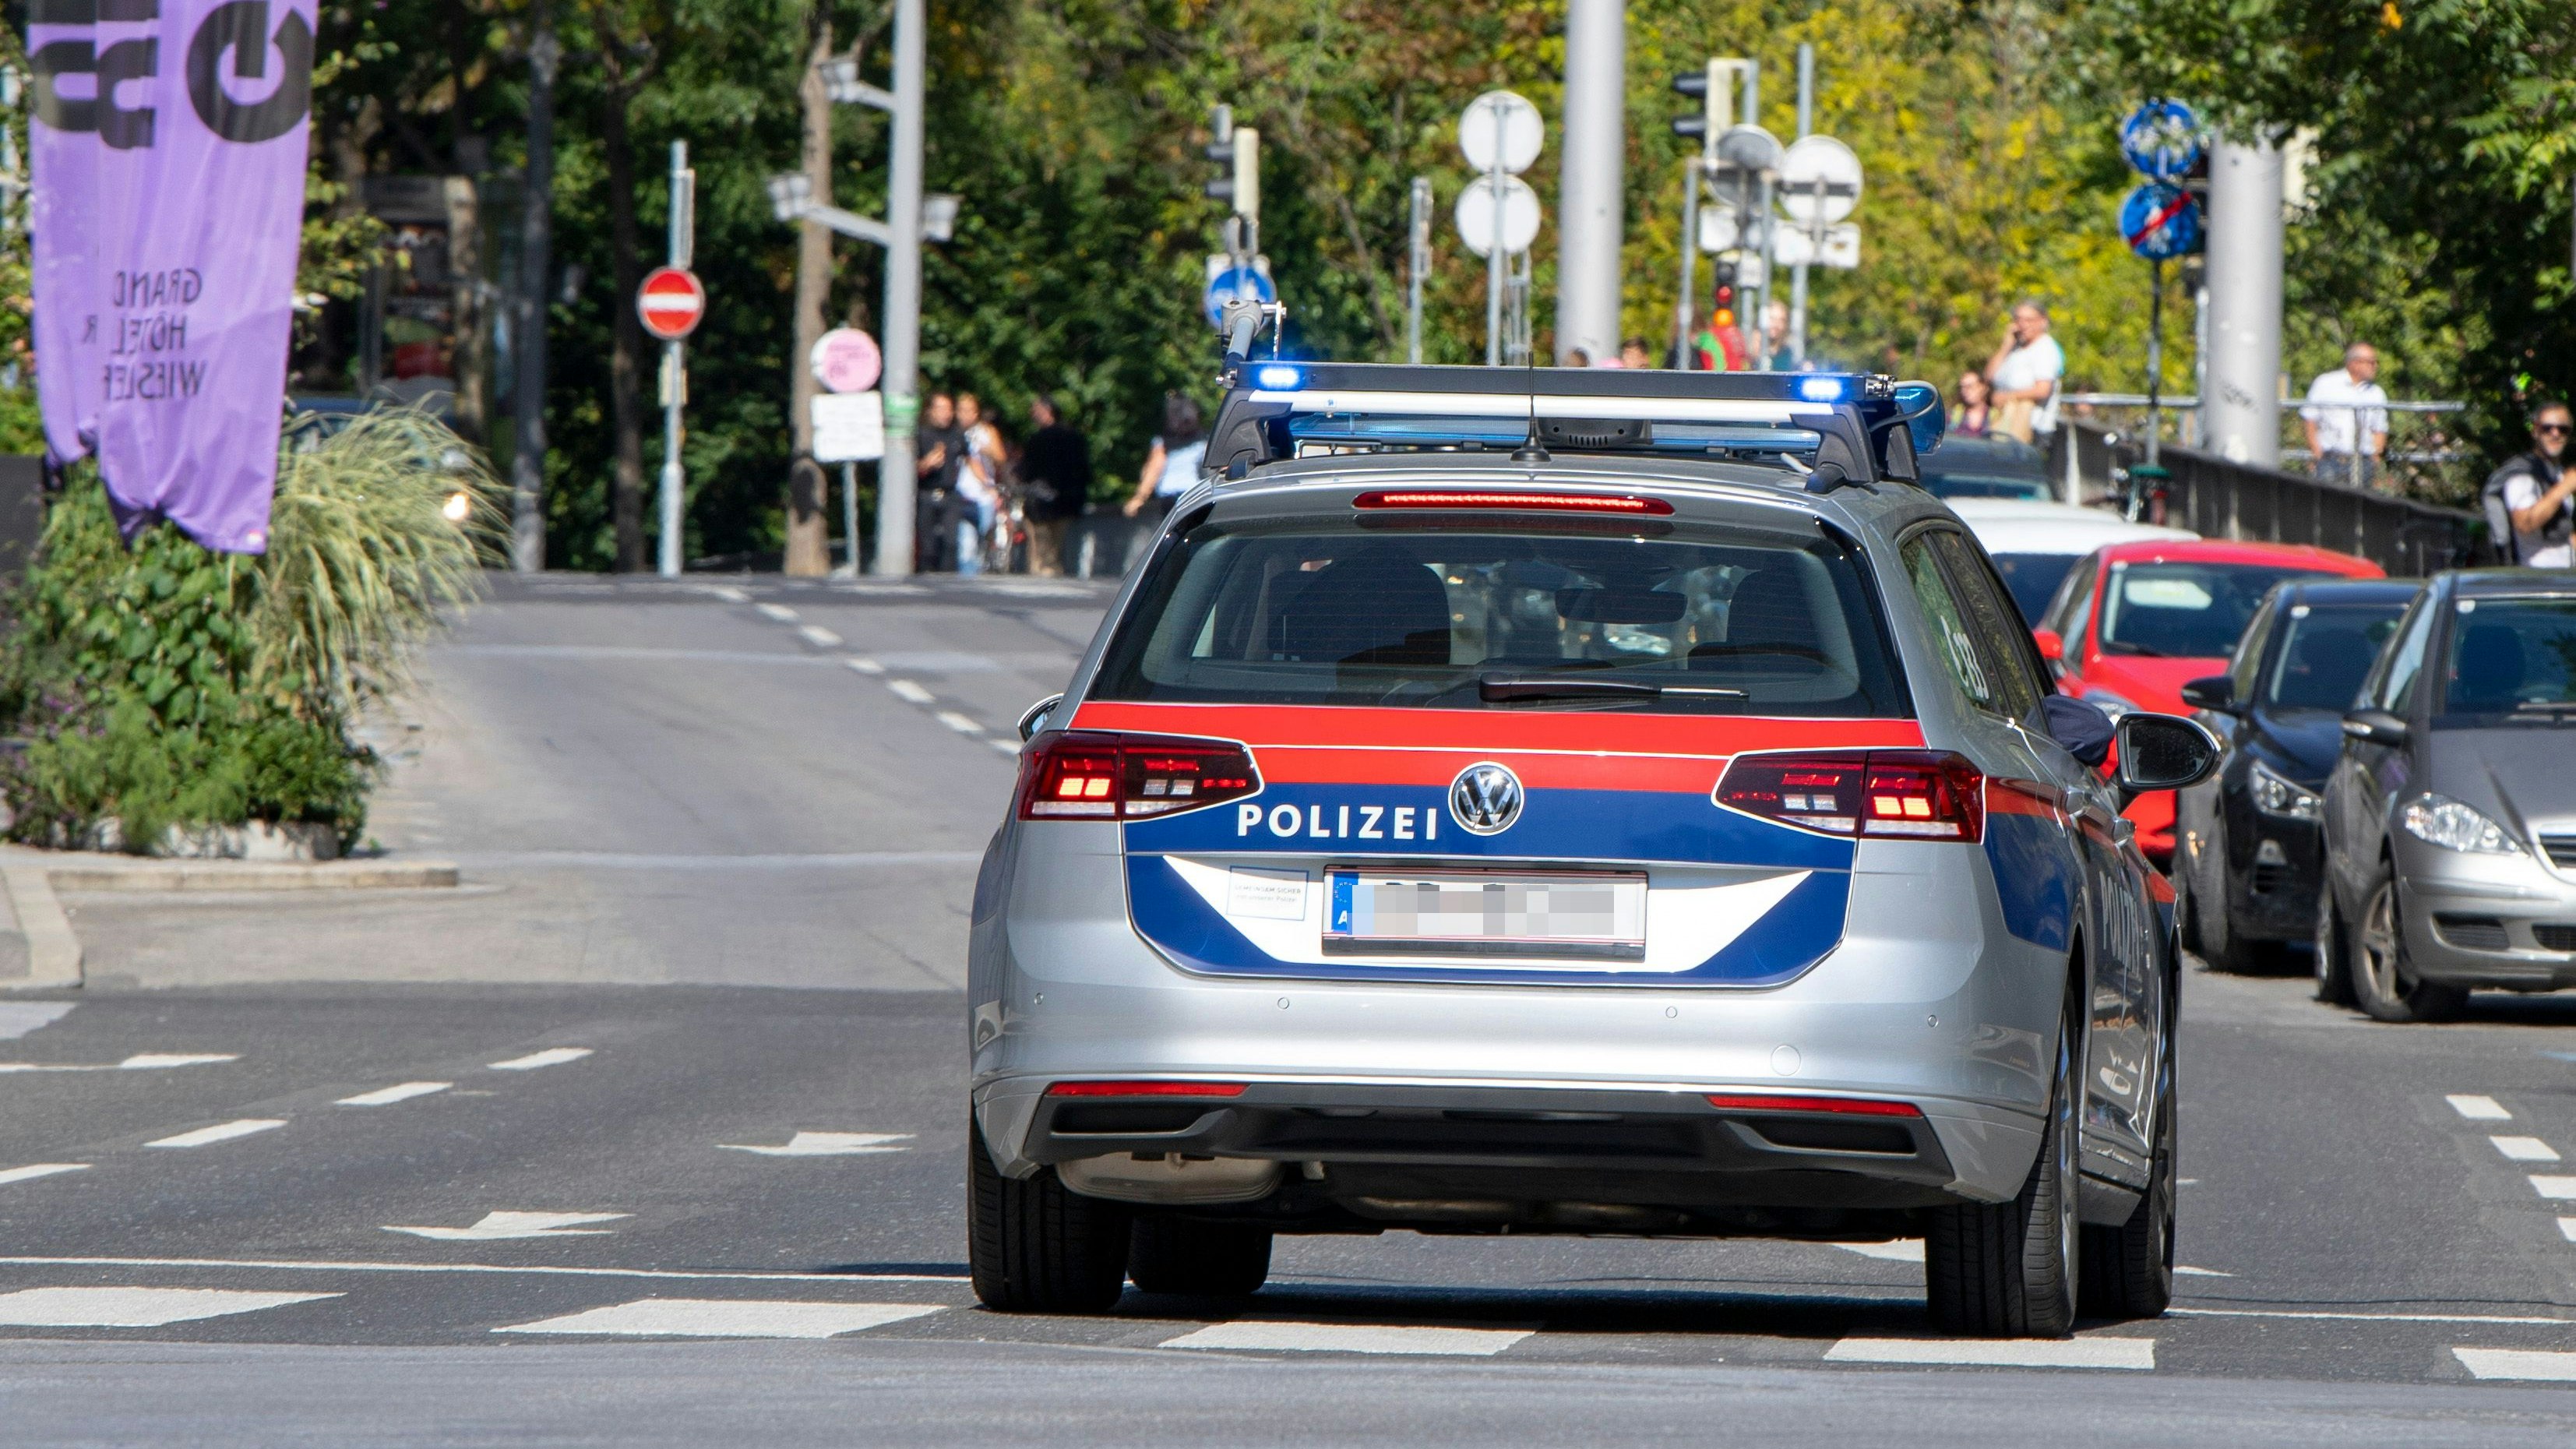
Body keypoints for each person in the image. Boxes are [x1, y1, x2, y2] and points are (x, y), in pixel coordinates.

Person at [2484, 400, 2574, 567]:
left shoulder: (2559, 473)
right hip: (2534, 581)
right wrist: (2564, 488)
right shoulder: (2523, 476)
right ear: (2535, 431)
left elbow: (2561, 541)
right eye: (2547, 428)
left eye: (2563, 429)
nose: (2555, 434)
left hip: (2564, 581)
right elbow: (2524, 524)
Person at [1017, 395, 1092, 577]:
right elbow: (1084, 471)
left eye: (1035, 410)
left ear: (1047, 412)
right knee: (1056, 549)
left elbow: (1027, 472)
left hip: (1040, 504)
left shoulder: (1037, 440)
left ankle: (1041, 575)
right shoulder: (1074, 437)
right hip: (1066, 502)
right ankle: (1052, 572)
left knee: (1039, 551)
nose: (1032, 414)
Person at [2300, 342, 2390, 490]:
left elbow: (2379, 430)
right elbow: (2310, 419)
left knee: (2359, 508)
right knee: (2328, 505)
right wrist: (2316, 452)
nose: (2375, 366)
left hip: (2363, 461)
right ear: (2355, 363)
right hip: (2330, 459)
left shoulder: (2377, 393)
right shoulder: (2326, 383)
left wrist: (2375, 462)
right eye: (2372, 362)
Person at [1122, 394, 1208, 529]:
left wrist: (1139, 498)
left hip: (1179, 498)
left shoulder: (1165, 443)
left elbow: (1154, 470)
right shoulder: (1202, 440)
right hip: (1193, 496)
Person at [1986, 300, 2064, 445]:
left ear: (2043, 321)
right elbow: (1989, 377)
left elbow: (2043, 389)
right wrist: (2006, 345)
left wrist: (2007, 397)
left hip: (2032, 429)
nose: (2023, 325)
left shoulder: (2045, 349)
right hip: (2006, 424)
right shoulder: (2017, 348)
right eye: (2018, 320)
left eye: (2029, 320)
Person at [952, 393, 1004, 576]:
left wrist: (984, 448)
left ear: (976, 413)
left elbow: (1000, 457)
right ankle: (967, 580)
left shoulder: (986, 431)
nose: (965, 415)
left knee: (983, 540)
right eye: (961, 410)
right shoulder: (954, 433)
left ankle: (982, 572)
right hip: (962, 495)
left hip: (984, 496)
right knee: (966, 544)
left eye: (969, 410)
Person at [913, 392, 962, 572]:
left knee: (951, 543)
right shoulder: (921, 435)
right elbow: (909, 469)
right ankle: (927, 578)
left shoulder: (956, 434)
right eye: (941, 409)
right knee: (928, 546)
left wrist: (988, 487)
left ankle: (950, 582)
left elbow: (970, 460)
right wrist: (927, 463)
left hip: (950, 494)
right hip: (927, 493)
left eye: (949, 409)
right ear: (931, 411)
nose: (946, 414)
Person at [1954, 369, 1994, 439]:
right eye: (1962, 387)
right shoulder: (1954, 415)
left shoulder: (1995, 416)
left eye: (1970, 387)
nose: (1964, 391)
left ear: (1984, 388)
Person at [1763, 299, 1794, 372]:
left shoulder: (1789, 355)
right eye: (1772, 319)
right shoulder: (1749, 354)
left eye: (1781, 320)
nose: (1776, 324)